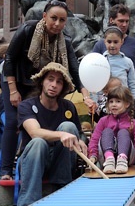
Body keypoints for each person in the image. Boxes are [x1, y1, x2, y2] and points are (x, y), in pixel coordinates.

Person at [0, 0, 94, 180]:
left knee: (38, 124)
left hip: (39, 82)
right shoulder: (27, 30)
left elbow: (74, 69)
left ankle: (45, 166)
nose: (57, 23)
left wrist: (86, 95)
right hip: (15, 79)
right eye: (53, 18)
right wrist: (13, 90)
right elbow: (9, 58)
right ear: (44, 17)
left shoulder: (64, 40)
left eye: (62, 20)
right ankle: (5, 170)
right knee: (12, 122)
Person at [17, 62, 88, 206]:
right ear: (42, 81)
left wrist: (81, 141)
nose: (54, 85)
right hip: (33, 161)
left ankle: (62, 191)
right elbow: (34, 133)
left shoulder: (68, 106)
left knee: (69, 126)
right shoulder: (27, 105)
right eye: (50, 79)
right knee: (38, 142)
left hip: (59, 163)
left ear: (63, 87)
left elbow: (79, 134)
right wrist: (61, 135)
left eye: (59, 82)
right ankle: (28, 203)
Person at [92, 4, 135, 124]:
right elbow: (94, 77)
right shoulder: (100, 49)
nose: (124, 24)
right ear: (112, 20)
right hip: (106, 102)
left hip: (129, 97)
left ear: (121, 42)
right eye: (121, 21)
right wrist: (95, 102)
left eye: (127, 21)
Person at [88, 86, 135, 174]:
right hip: (105, 159)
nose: (114, 104)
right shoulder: (103, 121)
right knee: (107, 131)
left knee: (123, 132)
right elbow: (95, 139)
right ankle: (109, 159)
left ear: (127, 104)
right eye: (111, 102)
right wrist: (92, 155)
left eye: (118, 101)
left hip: (127, 157)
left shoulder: (132, 122)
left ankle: (122, 159)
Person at [103, 25, 135, 108]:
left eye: (115, 42)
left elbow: (132, 85)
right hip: (105, 105)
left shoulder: (127, 62)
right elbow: (96, 85)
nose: (112, 45)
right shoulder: (100, 61)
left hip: (123, 103)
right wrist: (96, 103)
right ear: (104, 41)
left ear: (121, 42)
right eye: (109, 42)